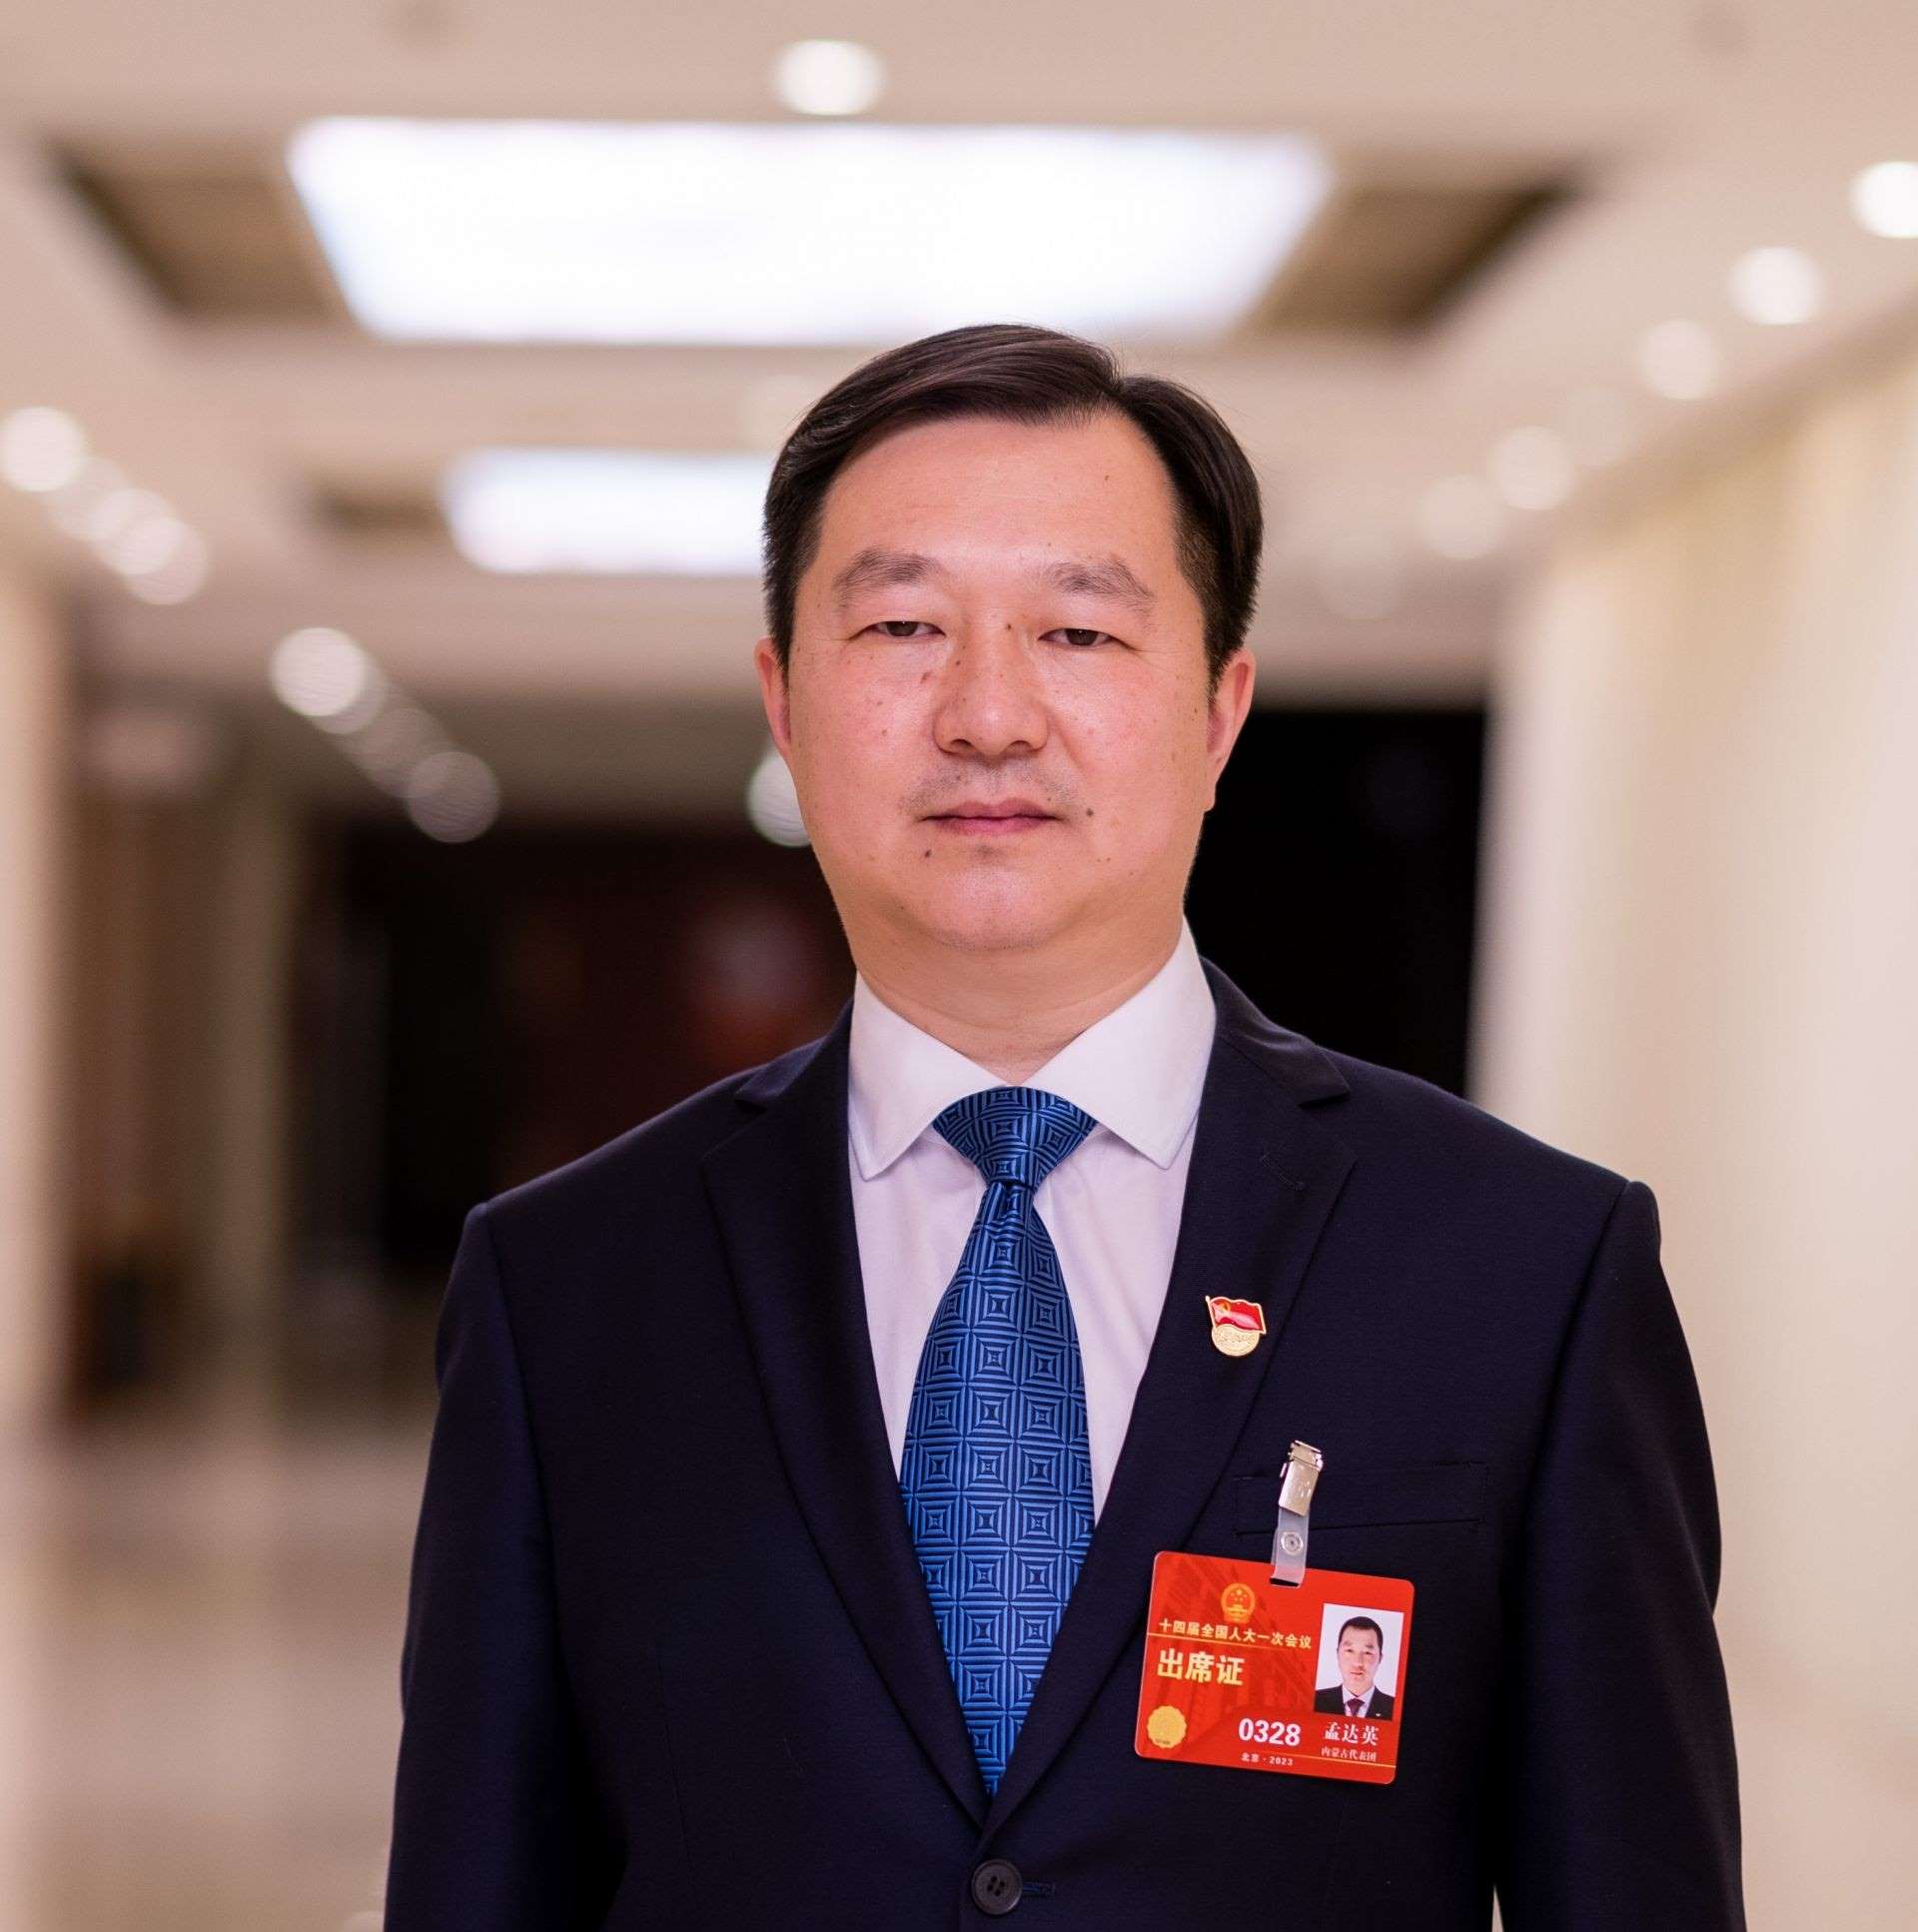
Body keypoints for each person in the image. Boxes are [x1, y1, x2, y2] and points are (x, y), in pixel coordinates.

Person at [383, 323, 1744, 1929]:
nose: (988, 713)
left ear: (1221, 709)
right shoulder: (567, 1286)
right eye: (903, 624)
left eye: (1080, 631)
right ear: (784, 702)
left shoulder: (1524, 1269)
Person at [1314, 1614, 1396, 1720]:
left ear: (1380, 1658)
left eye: (1367, 1652)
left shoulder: (1394, 1709)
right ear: (1337, 1654)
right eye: (1349, 1650)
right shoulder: (1315, 1701)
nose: (1357, 1663)